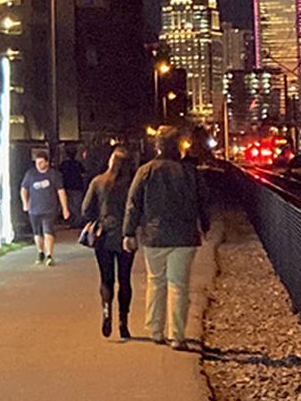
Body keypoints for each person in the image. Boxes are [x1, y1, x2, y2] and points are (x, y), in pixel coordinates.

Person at [123, 128, 210, 350]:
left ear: (158, 146)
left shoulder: (146, 171)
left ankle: (155, 330)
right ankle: (177, 336)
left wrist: (129, 232)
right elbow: (203, 201)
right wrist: (205, 226)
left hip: (155, 236)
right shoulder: (190, 172)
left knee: (156, 281)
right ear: (178, 145)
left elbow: (133, 204)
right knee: (179, 286)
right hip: (185, 236)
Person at [79, 146, 136, 339]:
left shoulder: (98, 182)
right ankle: (123, 322)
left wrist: (97, 219)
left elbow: (86, 209)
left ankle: (106, 313)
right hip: (126, 236)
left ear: (110, 162)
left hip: (103, 236)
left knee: (106, 278)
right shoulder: (130, 185)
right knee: (125, 279)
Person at [20, 149, 68, 265]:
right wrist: (25, 203)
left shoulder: (54, 174)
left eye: (41, 162)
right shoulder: (30, 174)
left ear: (47, 162)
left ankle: (49, 254)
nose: (39, 165)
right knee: (37, 233)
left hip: (50, 208)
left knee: (48, 231)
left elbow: (60, 191)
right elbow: (24, 189)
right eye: (37, 163)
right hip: (34, 209)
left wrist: (65, 208)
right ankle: (40, 252)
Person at [57, 145, 88, 222]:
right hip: (77, 187)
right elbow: (84, 174)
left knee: (69, 205)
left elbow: (59, 174)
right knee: (77, 205)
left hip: (67, 187)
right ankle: (77, 221)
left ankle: (71, 220)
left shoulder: (64, 164)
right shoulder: (78, 164)